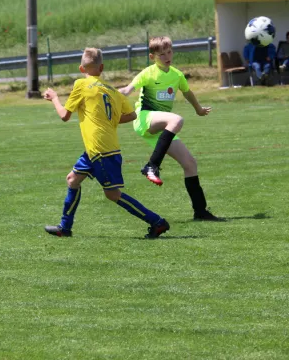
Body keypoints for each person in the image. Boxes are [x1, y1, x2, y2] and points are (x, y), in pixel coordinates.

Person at [43, 47, 170, 239]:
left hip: (101, 150)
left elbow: (64, 116)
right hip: (98, 149)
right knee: (72, 179)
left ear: (81, 68)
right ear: (101, 67)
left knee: (112, 194)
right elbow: (132, 115)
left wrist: (54, 98)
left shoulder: (81, 84)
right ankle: (65, 227)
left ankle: (157, 222)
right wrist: (107, 120)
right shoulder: (113, 91)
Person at [118, 36, 223, 222]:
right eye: (161, 54)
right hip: (145, 118)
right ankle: (152, 166)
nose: (167, 56)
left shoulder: (176, 75)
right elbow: (127, 90)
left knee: (190, 164)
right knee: (176, 120)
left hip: (163, 127)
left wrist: (198, 109)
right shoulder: (148, 73)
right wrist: (110, 92)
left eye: (169, 52)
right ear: (152, 57)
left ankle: (200, 212)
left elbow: (187, 92)